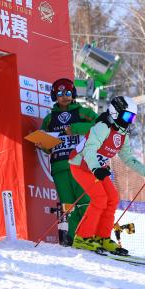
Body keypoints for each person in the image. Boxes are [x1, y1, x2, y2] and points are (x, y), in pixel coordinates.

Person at [68, 96, 145, 254]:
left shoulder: (123, 134)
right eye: (127, 116)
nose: (129, 121)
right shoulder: (102, 127)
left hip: (97, 167)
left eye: (132, 118)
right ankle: (82, 237)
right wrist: (96, 169)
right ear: (115, 112)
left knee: (112, 198)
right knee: (100, 198)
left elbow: (128, 158)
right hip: (80, 165)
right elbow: (89, 150)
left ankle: (102, 237)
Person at [40, 78, 97, 245]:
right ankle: (74, 238)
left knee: (85, 202)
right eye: (59, 93)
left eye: (68, 92)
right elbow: (46, 144)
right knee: (69, 206)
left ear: (74, 94)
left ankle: (89, 236)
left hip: (81, 165)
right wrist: (43, 145)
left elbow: (101, 125)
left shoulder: (83, 112)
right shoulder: (49, 119)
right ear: (54, 96)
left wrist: (76, 128)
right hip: (59, 168)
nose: (64, 96)